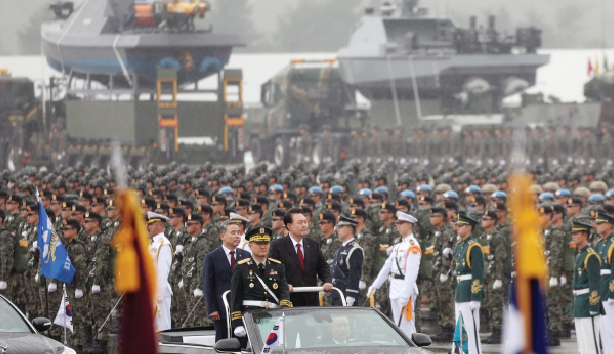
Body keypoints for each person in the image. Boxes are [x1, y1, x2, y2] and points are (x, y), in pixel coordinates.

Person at [230, 226, 292, 347]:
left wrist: (284, 311)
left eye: (266, 243)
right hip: (250, 317)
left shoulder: (278, 266)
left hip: (273, 317)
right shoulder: (241, 267)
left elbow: (283, 291)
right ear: (250, 246)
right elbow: (235, 297)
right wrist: (237, 323)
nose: (263, 246)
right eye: (258, 243)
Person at [368, 211, 421, 336]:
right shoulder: (399, 245)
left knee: (407, 327)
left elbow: (411, 274)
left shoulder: (412, 246)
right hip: (395, 289)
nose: (398, 226)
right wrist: (375, 285)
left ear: (409, 225)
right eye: (397, 223)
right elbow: (387, 267)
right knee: (399, 326)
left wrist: (405, 294)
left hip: (403, 290)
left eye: (401, 223)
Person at [268, 208, 332, 307]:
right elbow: (272, 270)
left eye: (305, 222)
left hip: (311, 302)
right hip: (288, 301)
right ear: (289, 226)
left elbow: (323, 266)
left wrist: (327, 281)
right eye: (300, 222)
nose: (304, 226)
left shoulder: (313, 245)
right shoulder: (277, 246)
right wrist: (282, 285)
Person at [203, 220, 250, 341]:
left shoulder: (246, 255)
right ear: (222, 236)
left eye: (239, 232)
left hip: (242, 308)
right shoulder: (212, 257)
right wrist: (212, 308)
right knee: (223, 340)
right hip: (222, 308)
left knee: (243, 341)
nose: (237, 236)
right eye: (233, 232)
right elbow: (208, 285)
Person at [452, 212, 484, 354]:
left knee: (470, 330)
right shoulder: (460, 246)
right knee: (461, 328)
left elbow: (478, 273)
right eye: (457, 225)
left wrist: (475, 297)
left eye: (460, 226)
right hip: (460, 291)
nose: (457, 228)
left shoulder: (474, 246)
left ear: (469, 227)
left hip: (469, 293)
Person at [570, 220, 603, 354]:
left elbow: (595, 282)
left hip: (588, 303)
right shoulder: (579, 254)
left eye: (576, 234)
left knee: (590, 342)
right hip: (579, 302)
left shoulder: (591, 256)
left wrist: (594, 305)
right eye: (573, 234)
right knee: (582, 342)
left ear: (585, 236)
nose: (573, 237)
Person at [146, 211, 173, 332]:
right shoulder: (152, 243)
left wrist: (158, 293)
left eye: (152, 224)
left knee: (161, 327)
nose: (149, 226)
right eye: (149, 224)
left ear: (161, 226)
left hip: (159, 293)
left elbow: (163, 270)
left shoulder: (163, 244)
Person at [330, 216, 363, 306]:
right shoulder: (342, 248)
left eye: (341, 227)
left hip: (345, 292)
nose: (338, 230)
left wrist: (351, 295)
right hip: (337, 292)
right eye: (338, 227)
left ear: (350, 229)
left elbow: (354, 274)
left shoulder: (354, 249)